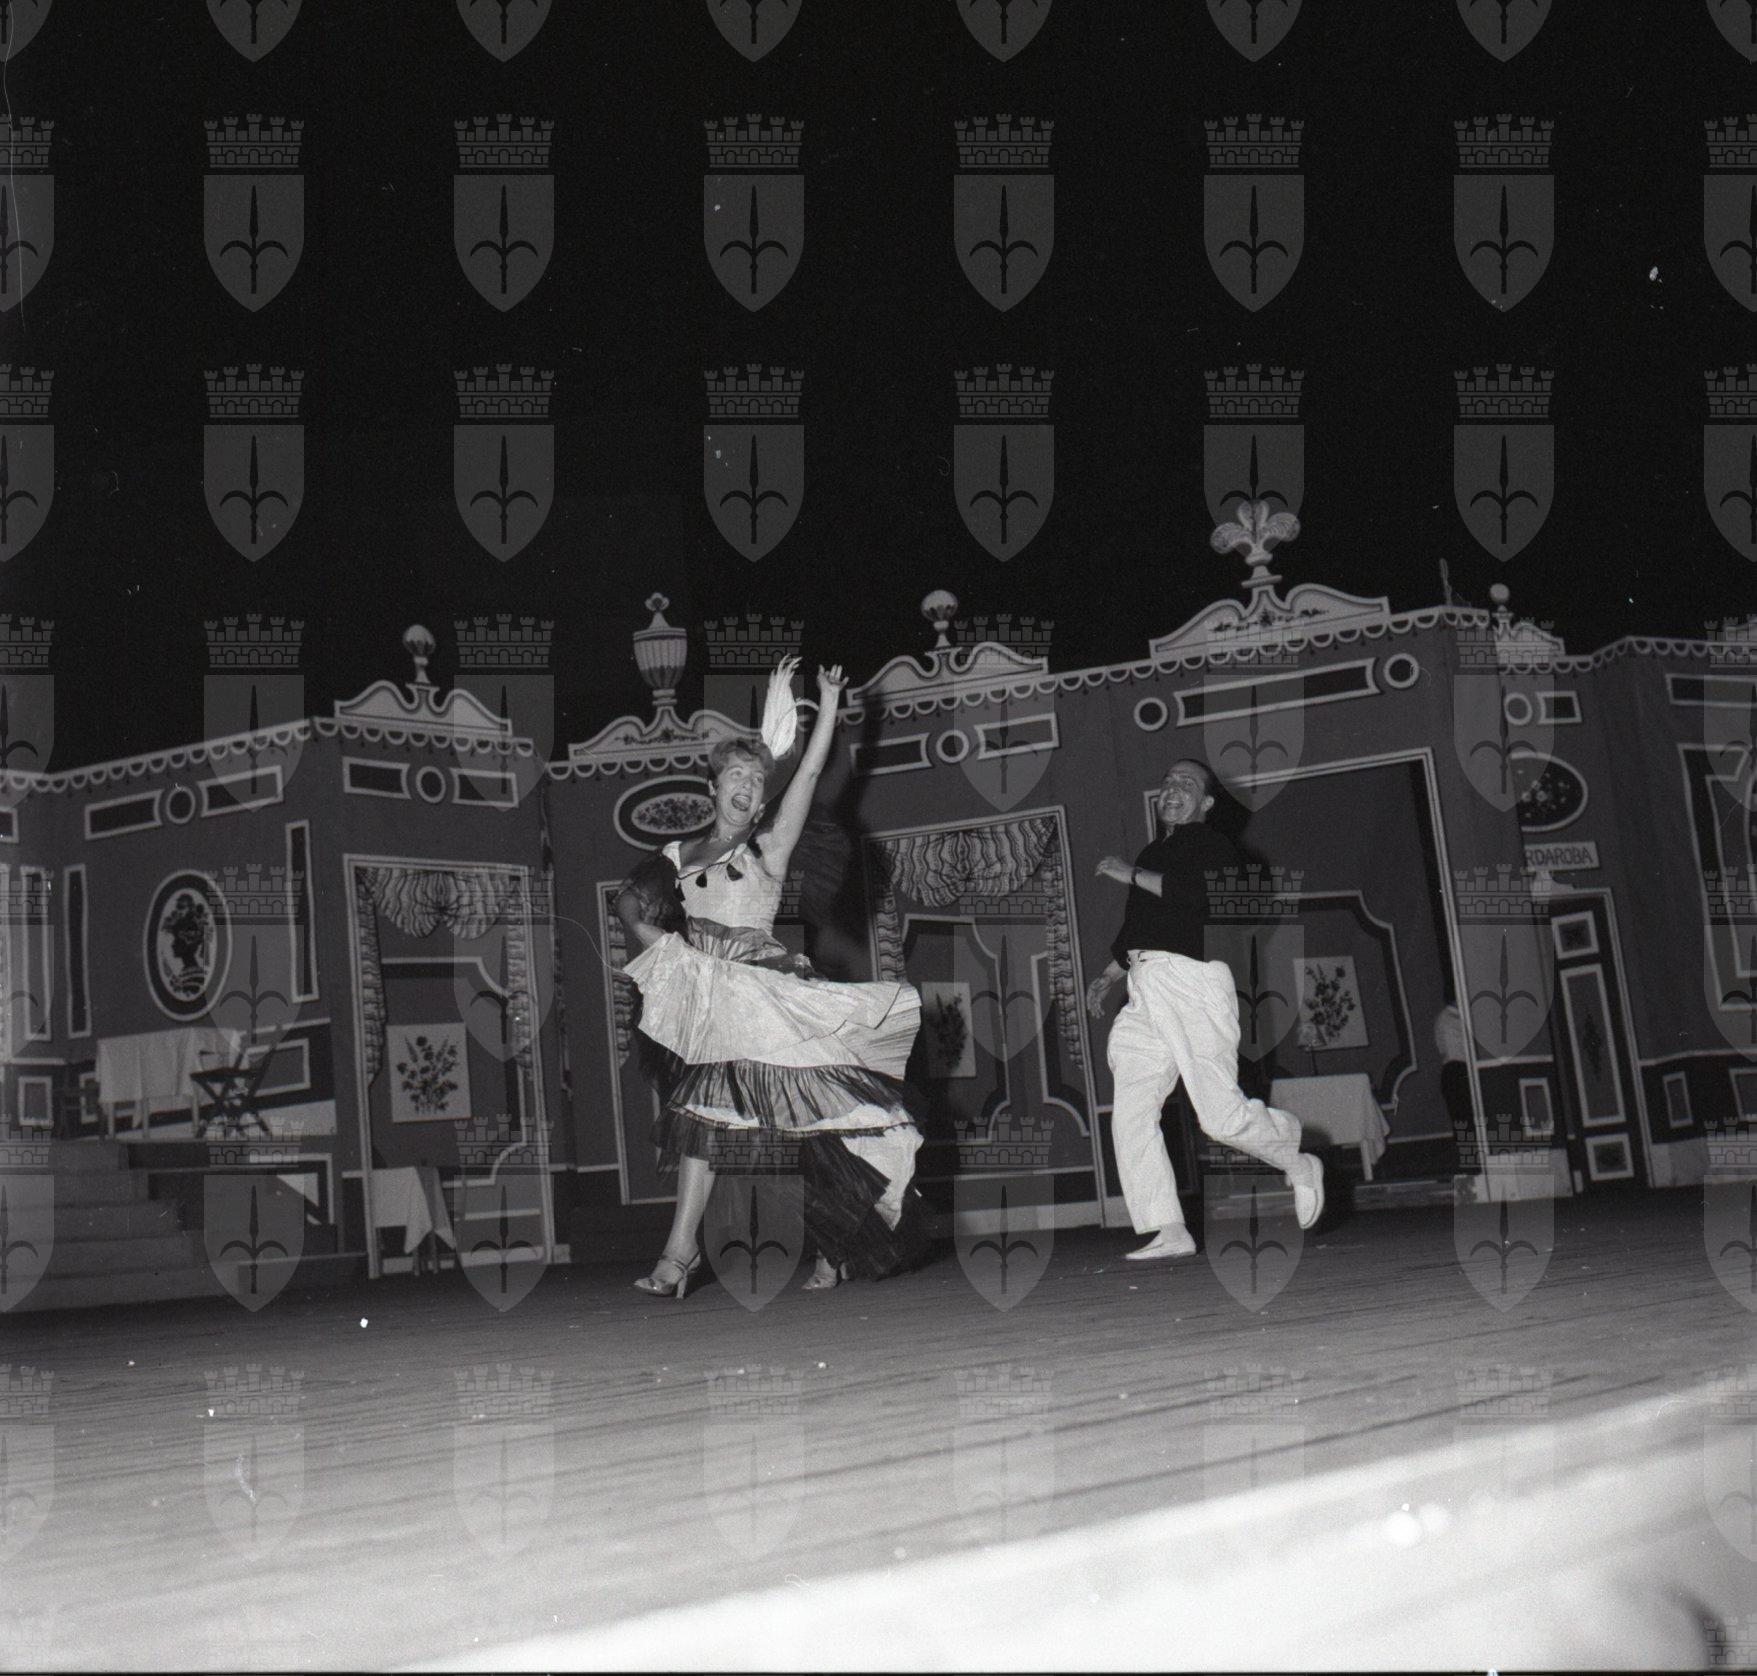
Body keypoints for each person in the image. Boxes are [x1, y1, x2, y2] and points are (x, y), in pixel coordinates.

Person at [617, 656, 926, 1297]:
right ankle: (679, 1256)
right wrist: (655, 940)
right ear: (713, 788)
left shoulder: (769, 847)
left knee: (808, 1122)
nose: (749, 786)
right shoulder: (677, 855)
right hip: (711, 998)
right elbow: (630, 902)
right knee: (701, 1115)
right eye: (737, 775)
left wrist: (829, 703)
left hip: (766, 997)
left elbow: (808, 772)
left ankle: (837, 1242)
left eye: (757, 781)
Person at [1085, 758, 1326, 1260]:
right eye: (1167, 781)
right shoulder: (1154, 851)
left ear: (1207, 802)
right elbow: (1141, 926)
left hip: (1191, 981)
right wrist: (1109, 975)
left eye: (1187, 783)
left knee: (1218, 1117)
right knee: (1131, 1111)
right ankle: (1168, 1227)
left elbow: (1200, 898)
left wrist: (1131, 874)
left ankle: (1296, 1158)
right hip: (1145, 981)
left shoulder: (1213, 846)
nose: (1173, 788)